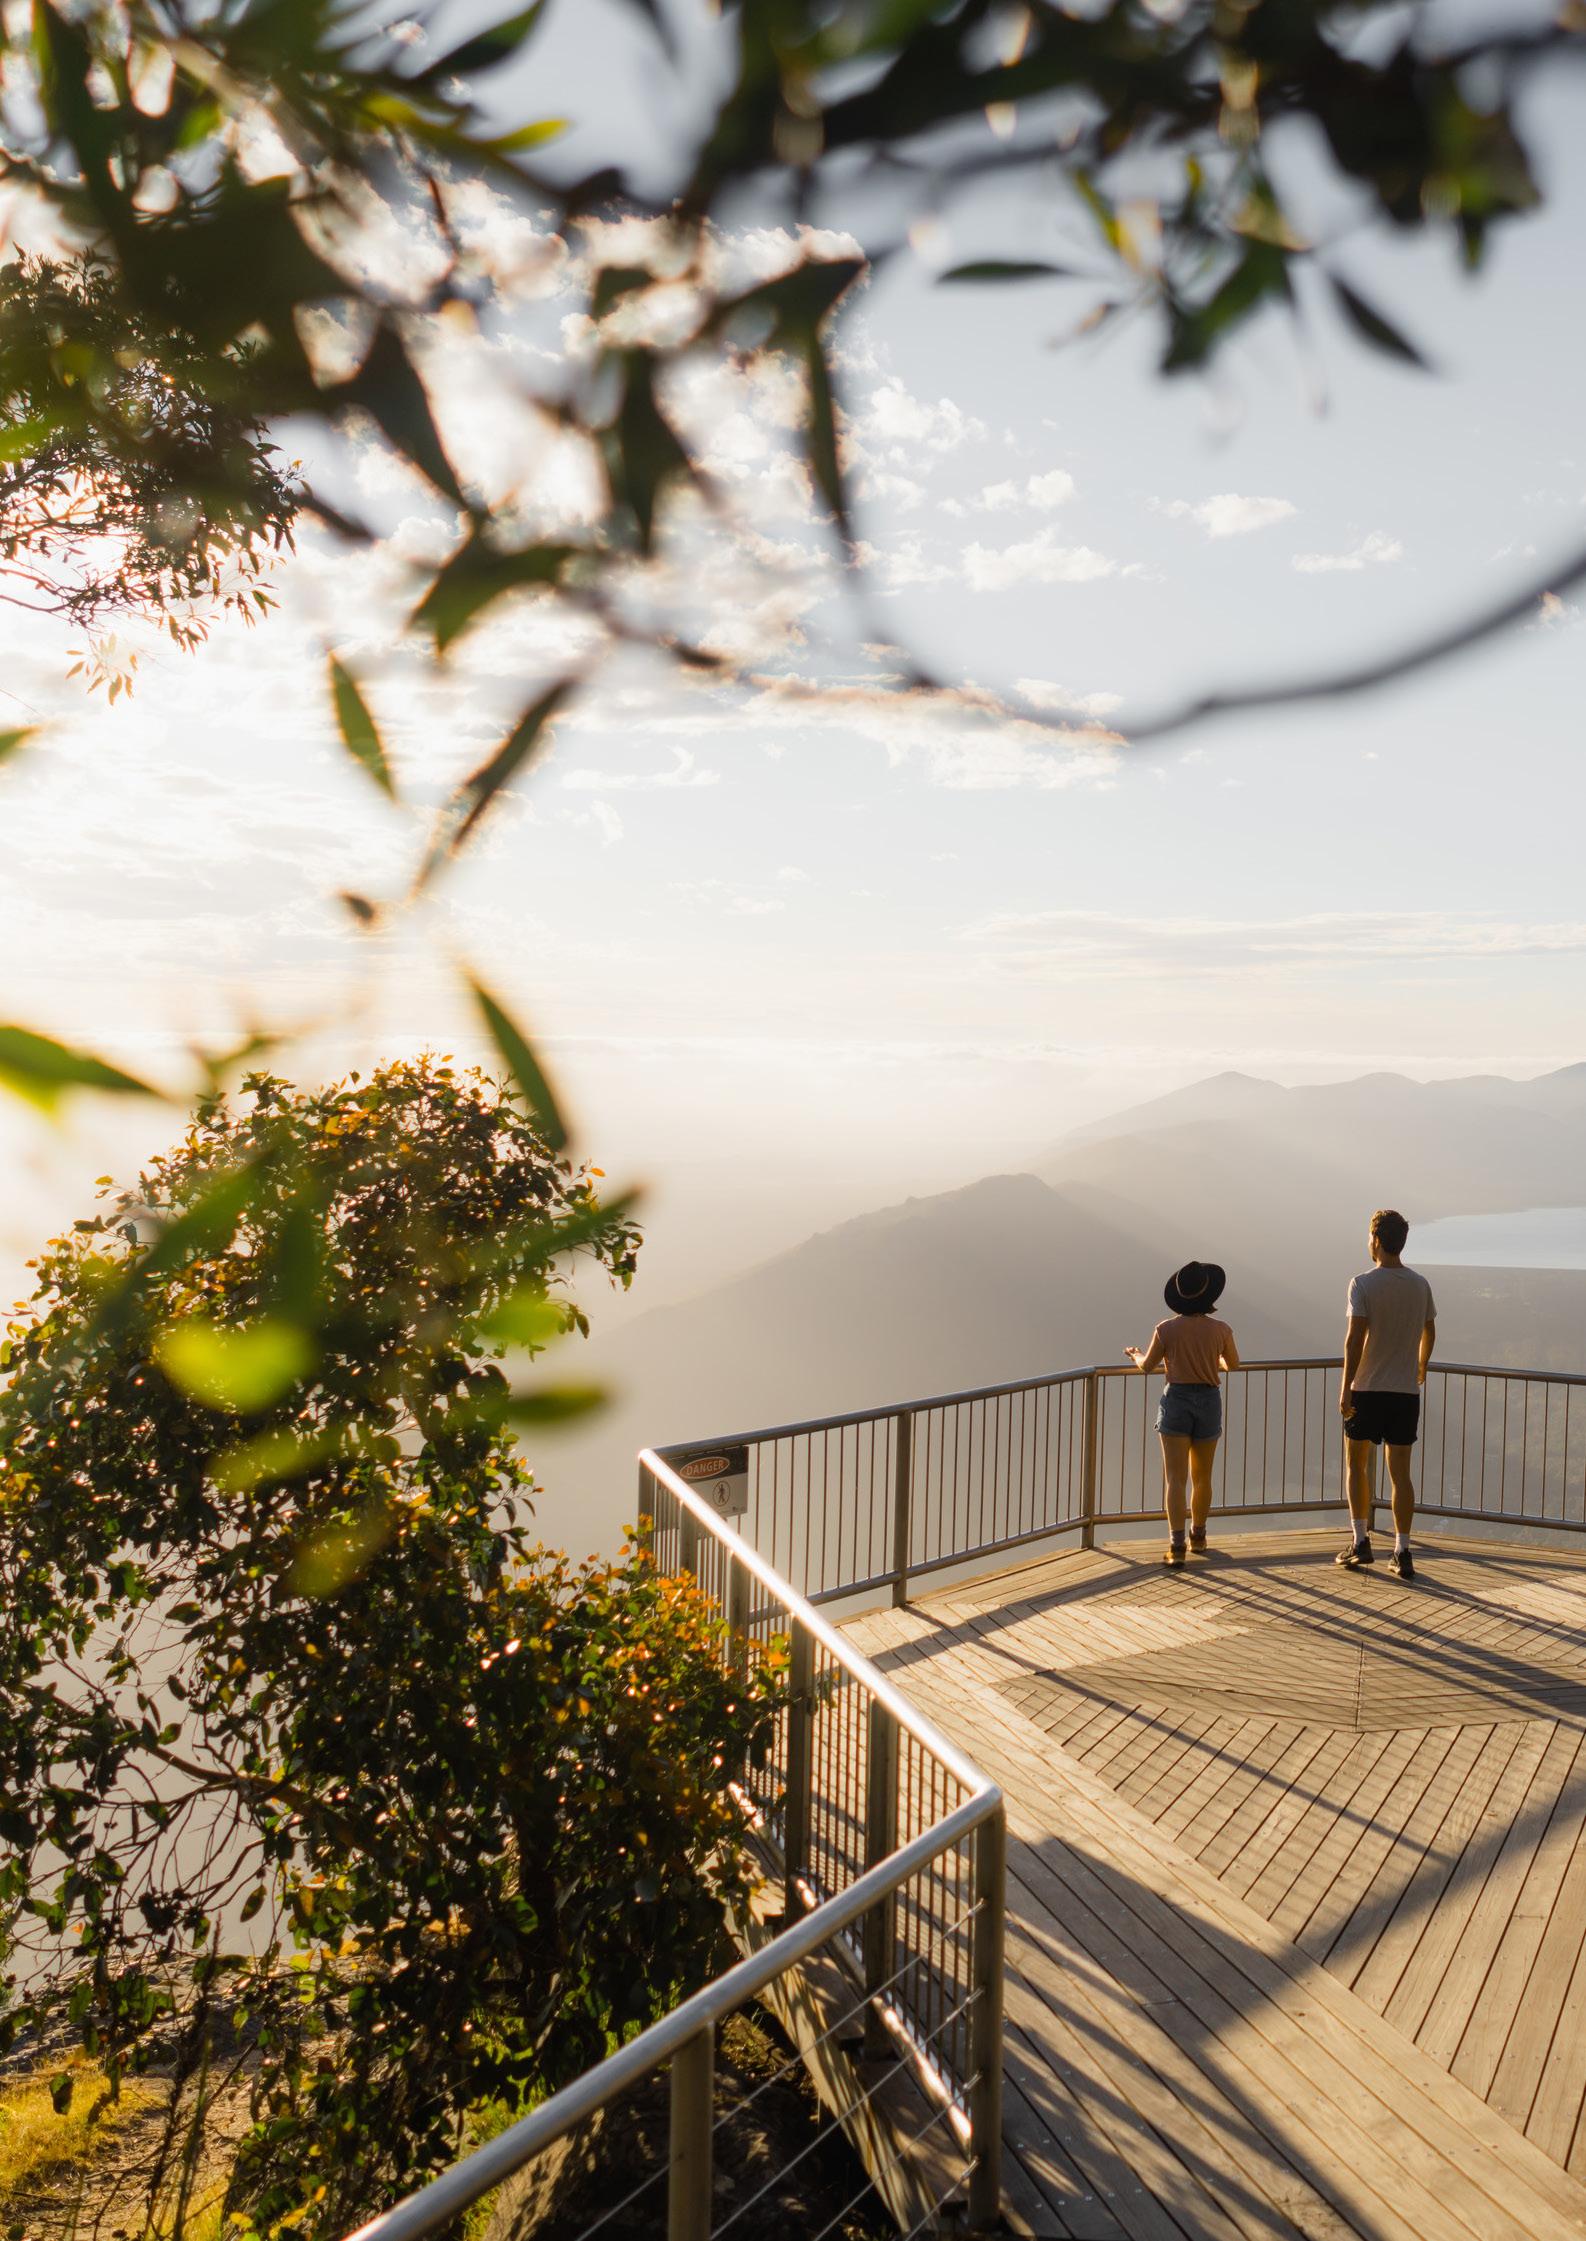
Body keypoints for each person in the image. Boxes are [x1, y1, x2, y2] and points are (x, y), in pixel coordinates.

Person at [1337, 1208, 1436, 1583]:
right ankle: (1402, 1550)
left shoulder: (1362, 1284)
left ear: (1376, 1240)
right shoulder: (1420, 1285)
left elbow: (1354, 1340)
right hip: (1405, 1391)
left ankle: (1360, 1541)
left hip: (1366, 1388)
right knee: (1401, 1475)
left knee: (1356, 1465)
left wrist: (1346, 1389)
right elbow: (1429, 1331)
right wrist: (1421, 1365)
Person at [1125, 1261, 1240, 1566]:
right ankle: (1198, 1537)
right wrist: (1213, 1362)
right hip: (1209, 1400)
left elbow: (1148, 1366)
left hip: (1176, 1400)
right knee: (1202, 1477)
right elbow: (1233, 1364)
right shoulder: (1221, 1330)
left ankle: (1176, 1547)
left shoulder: (1166, 1329)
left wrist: (1135, 1355)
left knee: (1175, 1479)